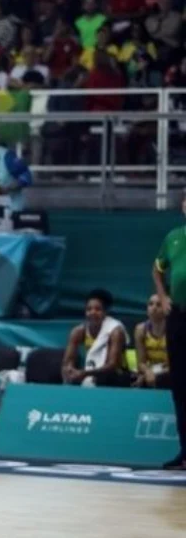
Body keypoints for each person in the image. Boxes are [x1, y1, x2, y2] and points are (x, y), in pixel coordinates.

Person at [152, 191, 186, 469]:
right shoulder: (174, 237)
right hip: (178, 317)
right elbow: (157, 269)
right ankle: (184, 451)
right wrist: (163, 297)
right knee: (180, 384)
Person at [133, 294, 170, 389]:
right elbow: (141, 363)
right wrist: (148, 372)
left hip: (169, 371)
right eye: (151, 304)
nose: (154, 308)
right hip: (152, 370)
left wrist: (154, 374)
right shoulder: (140, 329)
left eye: (159, 305)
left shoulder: (175, 330)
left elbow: (176, 364)